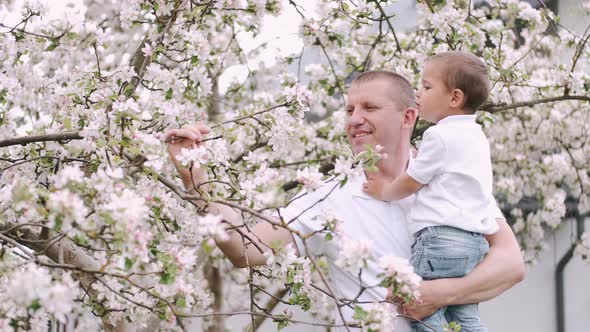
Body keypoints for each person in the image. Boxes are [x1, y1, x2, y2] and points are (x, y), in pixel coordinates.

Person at [164, 70, 525, 331]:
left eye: (369, 108)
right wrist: (197, 180)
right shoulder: (329, 196)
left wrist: (437, 294)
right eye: (350, 110)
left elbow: (510, 264)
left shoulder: (451, 179)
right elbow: (247, 250)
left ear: (408, 116)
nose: (355, 119)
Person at [364, 52, 499, 332]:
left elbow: (413, 180)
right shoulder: (477, 135)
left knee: (418, 309)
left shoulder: (438, 135)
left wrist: (385, 190)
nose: (418, 93)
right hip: (473, 245)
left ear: (454, 98)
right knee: (465, 320)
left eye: (426, 87)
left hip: (440, 241)